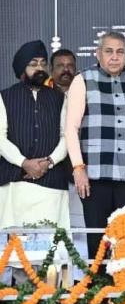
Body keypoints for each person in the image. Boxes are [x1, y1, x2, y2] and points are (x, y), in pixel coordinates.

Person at [65, 31, 125, 258]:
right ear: (98, 53)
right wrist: (78, 168)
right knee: (98, 242)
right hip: (94, 176)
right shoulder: (83, 80)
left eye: (120, 52)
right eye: (109, 51)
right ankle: (98, 281)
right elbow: (71, 128)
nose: (114, 57)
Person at [0, 40, 70, 228]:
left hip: (51, 182)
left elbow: (66, 136)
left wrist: (49, 161)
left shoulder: (59, 98)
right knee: (16, 242)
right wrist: (24, 162)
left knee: (52, 241)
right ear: (22, 69)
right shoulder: (4, 97)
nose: (39, 68)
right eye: (33, 64)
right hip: (14, 182)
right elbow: (0, 138)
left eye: (43, 63)